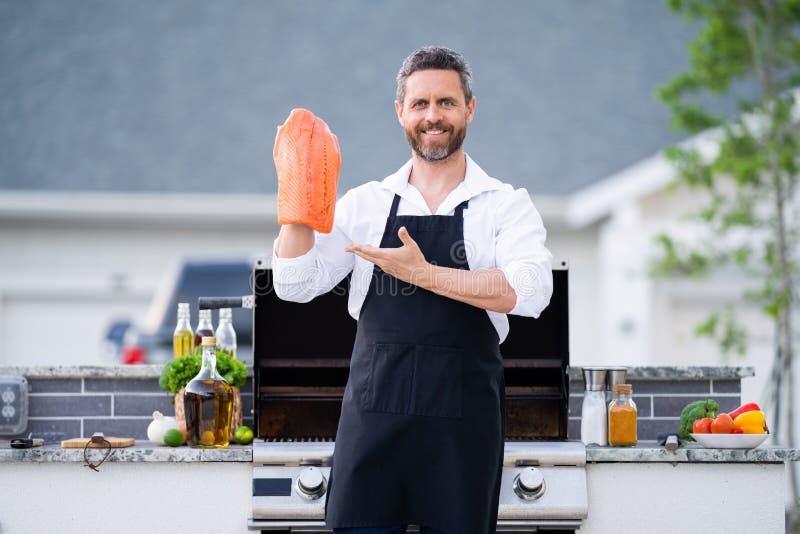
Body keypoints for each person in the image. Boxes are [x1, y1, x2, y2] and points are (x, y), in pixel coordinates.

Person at [272, 46, 553, 534]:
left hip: (461, 432)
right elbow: (295, 285)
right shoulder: (366, 204)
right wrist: (296, 203)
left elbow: (530, 289)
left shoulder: (503, 205)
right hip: (374, 427)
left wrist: (426, 275)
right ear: (400, 112)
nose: (433, 116)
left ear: (470, 108)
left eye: (446, 102)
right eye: (420, 104)